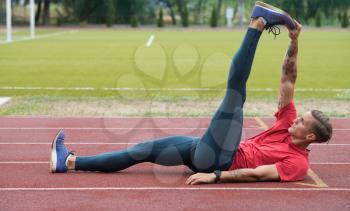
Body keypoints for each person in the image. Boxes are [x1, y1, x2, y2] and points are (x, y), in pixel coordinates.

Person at [50, 1, 332, 185]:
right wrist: (294, 41)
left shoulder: (297, 164)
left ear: (309, 136)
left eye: (301, 122)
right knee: (141, 151)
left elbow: (257, 174)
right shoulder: (287, 123)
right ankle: (69, 162)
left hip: (222, 159)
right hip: (205, 149)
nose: (295, 120)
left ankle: (257, 23)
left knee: (235, 96)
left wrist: (216, 176)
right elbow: (288, 79)